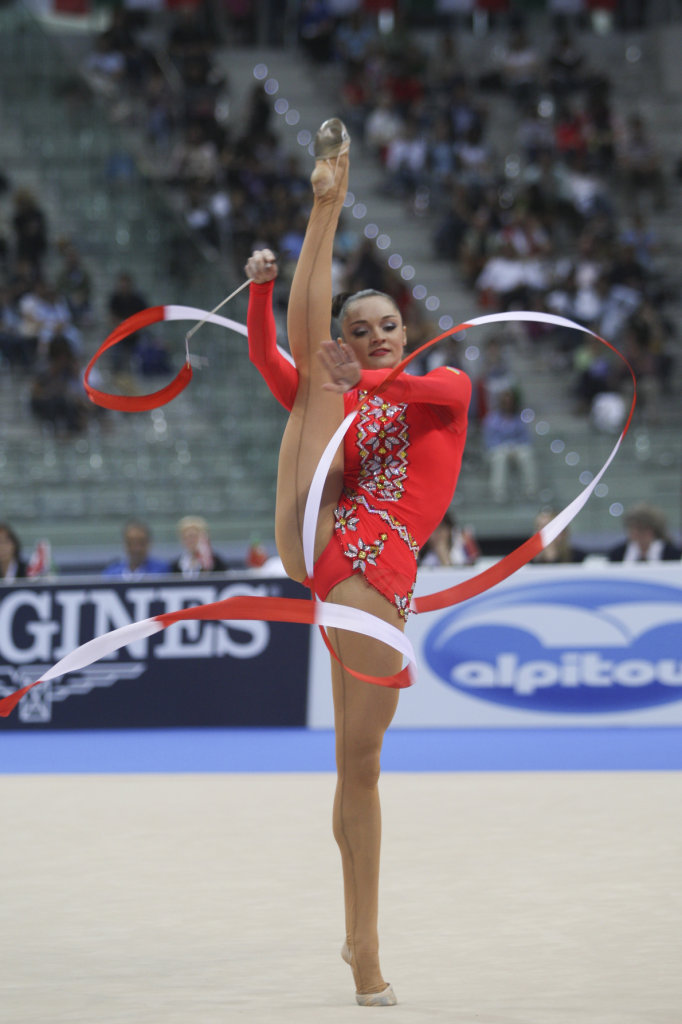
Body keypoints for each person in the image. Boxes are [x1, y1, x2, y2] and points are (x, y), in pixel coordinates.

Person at [244, 118, 471, 1006]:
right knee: (308, 386)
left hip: (372, 580)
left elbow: (402, 384)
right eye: (360, 328)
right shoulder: (345, 392)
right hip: (328, 537)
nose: (375, 337)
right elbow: (274, 359)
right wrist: (262, 298)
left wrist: (349, 372)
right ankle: (325, 203)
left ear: (404, 328)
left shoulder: (442, 391)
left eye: (384, 326)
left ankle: (359, 947)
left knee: (358, 770)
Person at [607, 503, 681, 563]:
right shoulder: (617, 554)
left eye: (641, 529)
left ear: (653, 530)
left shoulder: (672, 554)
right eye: (632, 529)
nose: (636, 533)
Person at [102, 520, 170, 578]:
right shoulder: (111, 574)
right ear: (124, 544)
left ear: (149, 543)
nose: (136, 549)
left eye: (141, 543)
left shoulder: (162, 572)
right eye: (131, 543)